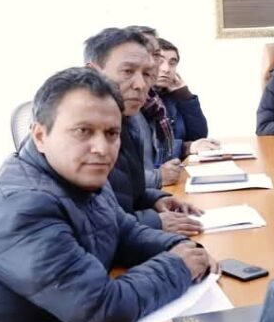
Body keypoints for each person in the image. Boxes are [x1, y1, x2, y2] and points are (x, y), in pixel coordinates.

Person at [0, 67, 217, 322]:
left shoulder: (78, 174)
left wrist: (179, 246)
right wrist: (178, 266)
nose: (102, 148)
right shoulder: (20, 206)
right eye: (83, 131)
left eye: (111, 134)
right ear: (40, 135)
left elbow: (123, 230)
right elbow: (100, 306)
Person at [85, 28, 202, 236]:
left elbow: (124, 193)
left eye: (147, 74)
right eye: (127, 71)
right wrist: (154, 221)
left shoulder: (127, 119)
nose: (141, 85)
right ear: (94, 72)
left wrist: (154, 199)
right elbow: (92, 223)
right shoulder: (78, 129)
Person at [125, 25, 182, 186]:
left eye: (155, 55)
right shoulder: (119, 105)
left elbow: (197, 133)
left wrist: (186, 97)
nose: (153, 63)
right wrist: (157, 178)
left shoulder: (153, 102)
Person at [155, 37, 218, 159]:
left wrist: (185, 97)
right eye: (159, 62)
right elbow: (147, 151)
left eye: (172, 63)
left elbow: (198, 136)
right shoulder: (141, 100)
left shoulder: (173, 95)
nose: (166, 69)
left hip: (179, 165)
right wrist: (185, 148)